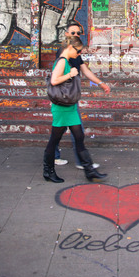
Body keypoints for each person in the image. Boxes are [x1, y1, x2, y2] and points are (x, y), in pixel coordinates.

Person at [43, 35, 107, 183]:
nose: (79, 55)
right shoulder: (62, 61)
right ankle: (48, 171)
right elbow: (54, 80)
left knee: (79, 137)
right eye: (78, 51)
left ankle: (89, 170)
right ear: (71, 47)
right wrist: (70, 74)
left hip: (69, 106)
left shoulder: (67, 60)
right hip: (61, 108)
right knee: (54, 139)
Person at [54, 22, 111, 168]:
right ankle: (80, 162)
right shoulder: (63, 54)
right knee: (75, 132)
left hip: (70, 97)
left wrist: (101, 83)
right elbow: (55, 79)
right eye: (73, 33)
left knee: (62, 131)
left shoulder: (75, 53)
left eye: (78, 33)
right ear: (66, 34)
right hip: (64, 98)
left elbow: (85, 71)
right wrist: (70, 75)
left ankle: (55, 157)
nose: (76, 35)